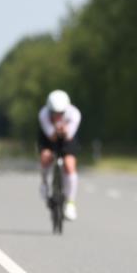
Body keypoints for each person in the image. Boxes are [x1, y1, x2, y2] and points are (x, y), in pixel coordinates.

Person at [38, 90, 82, 220]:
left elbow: (68, 136)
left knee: (69, 165)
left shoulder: (74, 114)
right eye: (54, 113)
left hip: (68, 137)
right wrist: (56, 130)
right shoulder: (43, 114)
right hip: (48, 136)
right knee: (46, 157)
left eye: (60, 113)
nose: (57, 116)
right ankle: (44, 183)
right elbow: (51, 136)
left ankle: (70, 203)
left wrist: (64, 130)